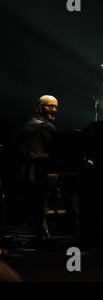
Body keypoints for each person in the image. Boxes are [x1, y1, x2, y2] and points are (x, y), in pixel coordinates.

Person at [21, 95, 59, 244]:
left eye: (55, 106)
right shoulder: (43, 126)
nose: (54, 110)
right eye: (50, 106)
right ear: (39, 107)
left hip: (34, 172)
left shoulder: (33, 125)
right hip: (37, 173)